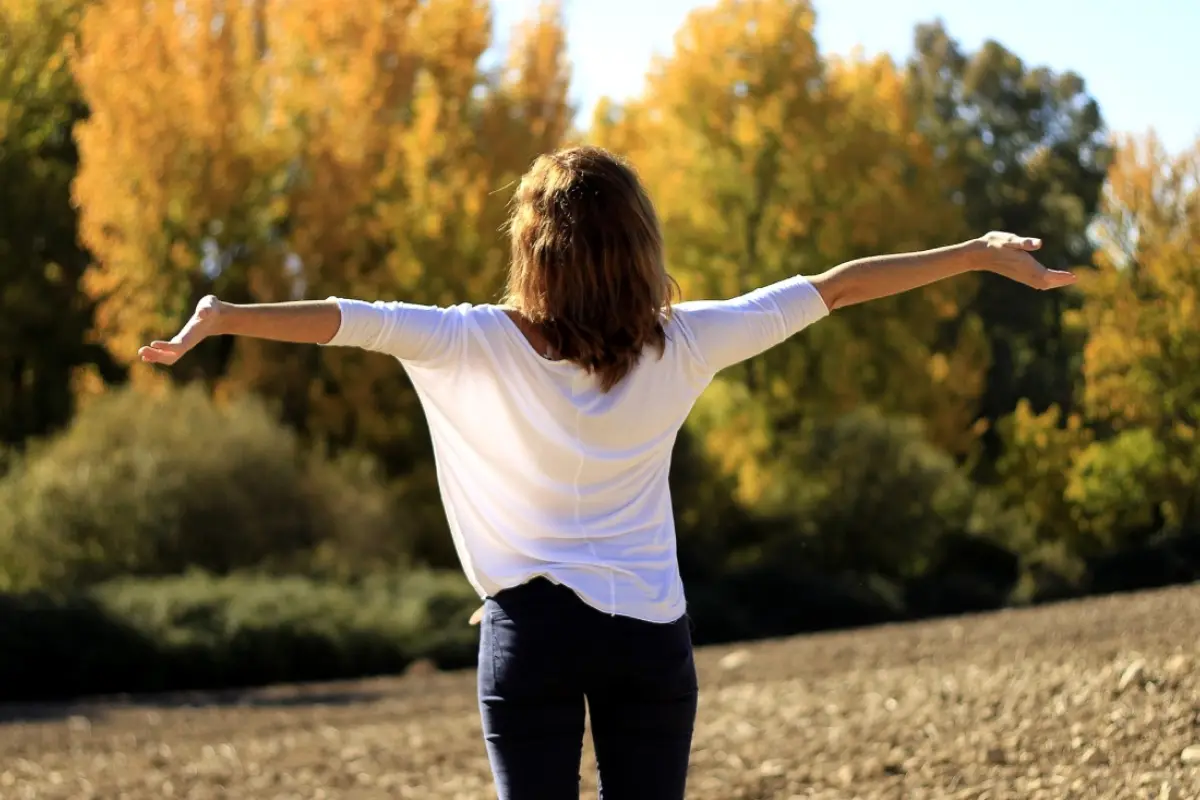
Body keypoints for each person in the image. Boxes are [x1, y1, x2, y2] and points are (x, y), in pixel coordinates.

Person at [139, 145, 1075, 800]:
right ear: (641, 249)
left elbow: (345, 317)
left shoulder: (468, 341)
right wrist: (975, 256)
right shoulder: (689, 342)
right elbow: (837, 286)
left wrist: (222, 316)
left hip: (529, 637)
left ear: (530, 251)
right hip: (649, 638)